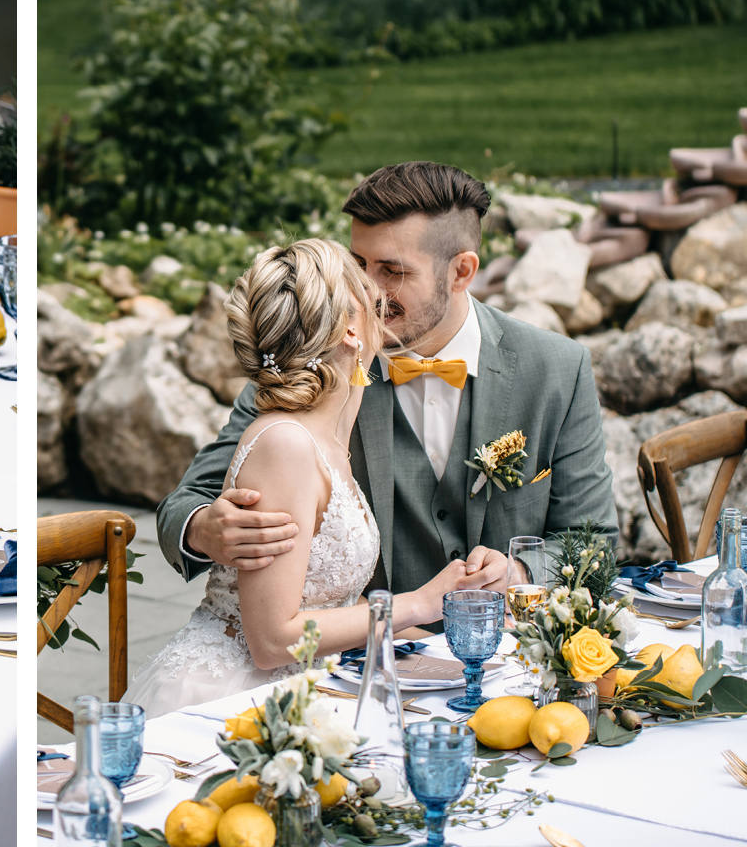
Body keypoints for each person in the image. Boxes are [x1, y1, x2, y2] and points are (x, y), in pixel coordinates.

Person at [156, 162, 617, 611]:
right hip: (354, 665)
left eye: (391, 271)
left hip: (504, 661)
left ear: (461, 272)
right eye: (358, 264)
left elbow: (593, 544)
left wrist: (519, 573)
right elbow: (185, 503)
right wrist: (203, 529)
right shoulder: (315, 360)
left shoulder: (557, 368)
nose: (367, 291)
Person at [123, 238, 469, 717]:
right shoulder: (286, 444)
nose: (378, 294)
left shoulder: (323, 438)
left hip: (303, 692)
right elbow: (271, 640)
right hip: (231, 701)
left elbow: (326, 601)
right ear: (351, 329)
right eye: (364, 281)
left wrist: (451, 644)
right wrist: (415, 604)